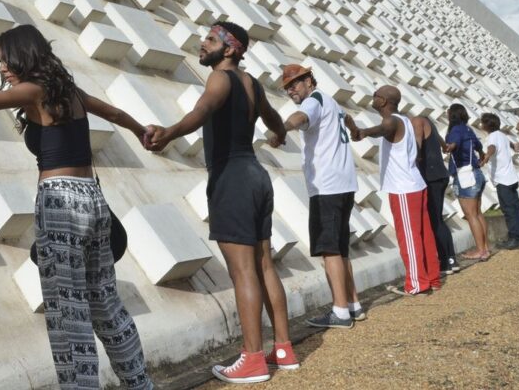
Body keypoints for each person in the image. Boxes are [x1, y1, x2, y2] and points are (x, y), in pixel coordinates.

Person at [0, 24, 153, 390]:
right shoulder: (69, 91)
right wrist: (142, 131)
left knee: (67, 312)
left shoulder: (33, 91)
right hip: (93, 200)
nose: (3, 68)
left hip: (59, 204)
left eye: (5, 60)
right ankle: (140, 384)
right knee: (105, 302)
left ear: (23, 55)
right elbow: (115, 114)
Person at [145, 21, 296, 384]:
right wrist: (279, 133)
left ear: (230, 49)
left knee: (243, 270)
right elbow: (274, 120)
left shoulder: (220, 78)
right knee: (264, 264)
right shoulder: (252, 83)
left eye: (211, 40)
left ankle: (253, 359)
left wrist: (168, 132)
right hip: (256, 175)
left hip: (232, 177)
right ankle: (284, 349)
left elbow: (202, 111)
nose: (202, 43)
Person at [276, 64, 363, 329]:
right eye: (287, 86)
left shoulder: (313, 101)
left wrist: (282, 129)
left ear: (309, 81)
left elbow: (300, 118)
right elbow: (347, 118)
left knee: (330, 251)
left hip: (326, 185)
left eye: (295, 83)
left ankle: (340, 312)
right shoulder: (331, 101)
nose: (291, 89)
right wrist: (356, 131)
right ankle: (353, 305)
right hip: (345, 183)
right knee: (340, 249)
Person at [350, 86, 441, 296]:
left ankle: (417, 284)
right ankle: (432, 278)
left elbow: (384, 128)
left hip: (403, 189)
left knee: (409, 237)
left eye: (375, 96)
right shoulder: (406, 121)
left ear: (382, 101)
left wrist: (363, 132)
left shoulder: (392, 121)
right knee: (424, 234)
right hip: (415, 184)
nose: (372, 98)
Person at [413, 115, 459, 275]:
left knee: (435, 220)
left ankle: (445, 261)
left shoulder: (417, 121)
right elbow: (445, 147)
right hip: (440, 174)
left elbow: (417, 145)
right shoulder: (428, 123)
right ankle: (451, 259)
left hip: (431, 176)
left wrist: (414, 158)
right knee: (438, 219)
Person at [444, 104, 489, 261]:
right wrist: (482, 155)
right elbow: (479, 146)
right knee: (477, 213)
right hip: (477, 173)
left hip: (465, 175)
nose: (447, 114)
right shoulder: (468, 129)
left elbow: (454, 143)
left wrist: (448, 147)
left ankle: (480, 250)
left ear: (453, 114)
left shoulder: (455, 129)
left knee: (470, 215)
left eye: (448, 112)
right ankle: (485, 248)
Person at [478, 113, 519, 250]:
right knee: (516, 208)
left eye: (482, 123)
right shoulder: (503, 135)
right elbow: (511, 145)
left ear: (487, 125)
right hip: (511, 177)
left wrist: (486, 157)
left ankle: (514, 239)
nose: (481, 125)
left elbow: (492, 148)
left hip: (502, 179)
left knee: (508, 209)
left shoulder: (492, 137)